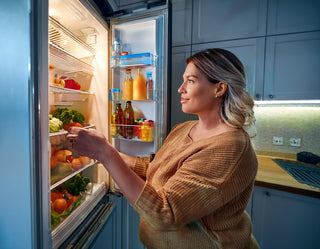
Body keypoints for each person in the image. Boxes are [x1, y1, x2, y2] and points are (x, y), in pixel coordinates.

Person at [67, 48, 259, 249]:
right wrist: (100, 149)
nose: (181, 88)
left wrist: (105, 153)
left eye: (191, 81)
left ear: (219, 88)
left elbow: (164, 213)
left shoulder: (230, 147)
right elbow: (153, 167)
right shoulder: (184, 129)